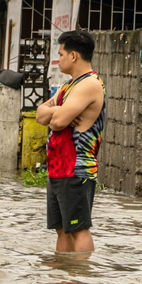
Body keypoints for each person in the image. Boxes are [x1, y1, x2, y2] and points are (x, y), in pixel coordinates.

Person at [36, 30, 105, 255]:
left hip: (76, 168)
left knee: (79, 229)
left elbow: (56, 122)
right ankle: (63, 277)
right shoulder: (69, 85)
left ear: (73, 56)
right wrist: (57, 109)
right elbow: (40, 114)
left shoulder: (89, 84)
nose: (58, 59)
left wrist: (55, 114)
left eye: (61, 54)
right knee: (62, 229)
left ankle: (81, 279)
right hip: (58, 168)